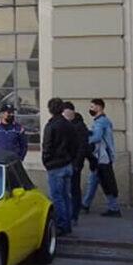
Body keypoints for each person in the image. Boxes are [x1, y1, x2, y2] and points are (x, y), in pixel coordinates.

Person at [42, 97, 76, 235]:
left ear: (50, 110)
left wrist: (47, 162)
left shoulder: (51, 126)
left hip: (55, 166)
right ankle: (67, 225)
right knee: (66, 196)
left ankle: (61, 225)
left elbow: (47, 146)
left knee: (57, 197)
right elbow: (74, 145)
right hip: (67, 164)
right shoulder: (68, 125)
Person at [82, 98, 121, 217]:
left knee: (106, 182)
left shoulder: (100, 122)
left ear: (99, 107)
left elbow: (97, 137)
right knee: (93, 181)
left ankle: (114, 208)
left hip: (102, 158)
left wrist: (85, 139)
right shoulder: (103, 121)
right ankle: (85, 204)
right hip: (101, 157)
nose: (91, 109)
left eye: (92, 107)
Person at [62, 102, 89, 225]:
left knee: (74, 189)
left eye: (67, 113)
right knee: (64, 190)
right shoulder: (64, 125)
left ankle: (74, 215)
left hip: (74, 163)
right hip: (64, 162)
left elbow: (83, 147)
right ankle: (68, 215)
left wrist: (77, 163)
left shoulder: (79, 126)